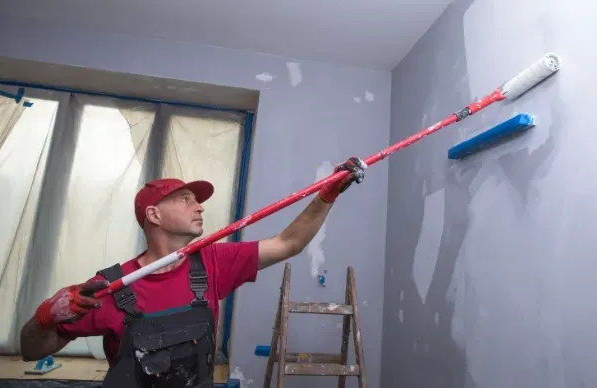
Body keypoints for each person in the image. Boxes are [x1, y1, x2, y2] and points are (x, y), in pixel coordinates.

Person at [19, 157, 366, 388]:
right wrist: (45, 318)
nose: (199, 207)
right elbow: (30, 350)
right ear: (154, 215)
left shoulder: (212, 262)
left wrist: (327, 194)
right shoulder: (109, 287)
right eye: (185, 199)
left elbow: (289, 243)